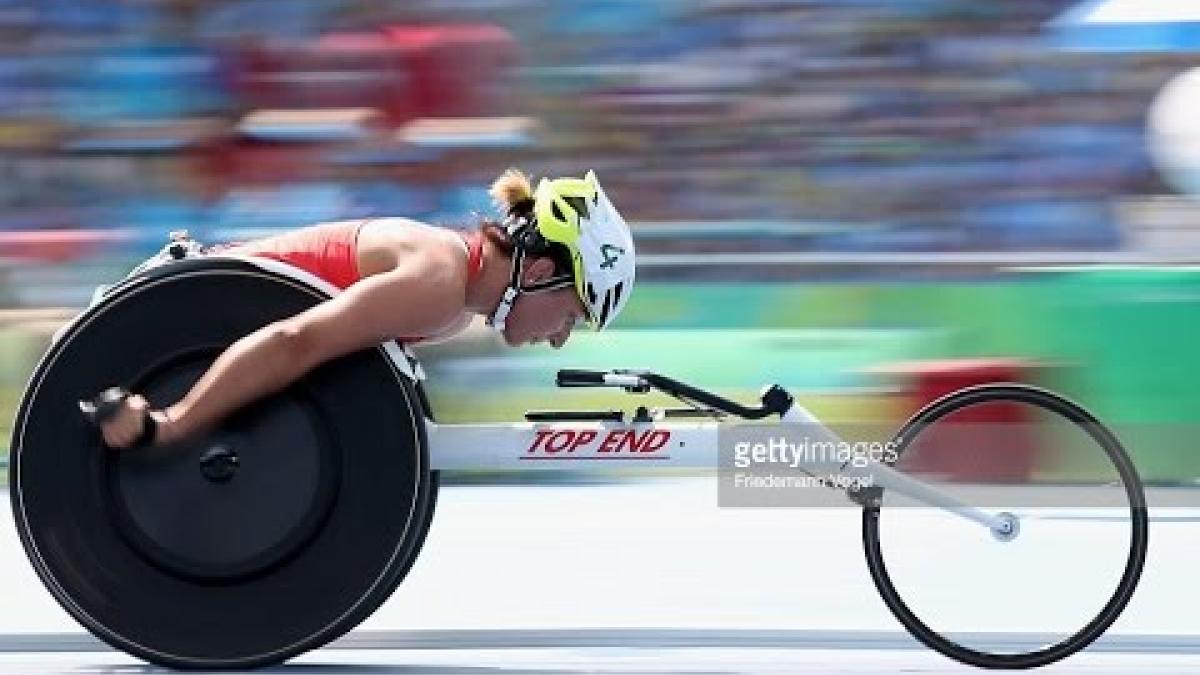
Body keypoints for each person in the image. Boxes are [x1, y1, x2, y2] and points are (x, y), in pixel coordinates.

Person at [96, 169, 636, 449]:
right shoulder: (439, 282)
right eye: (574, 313)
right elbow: (295, 343)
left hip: (196, 316)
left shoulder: (455, 307)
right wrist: (172, 426)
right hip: (169, 309)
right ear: (540, 273)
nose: (563, 337)